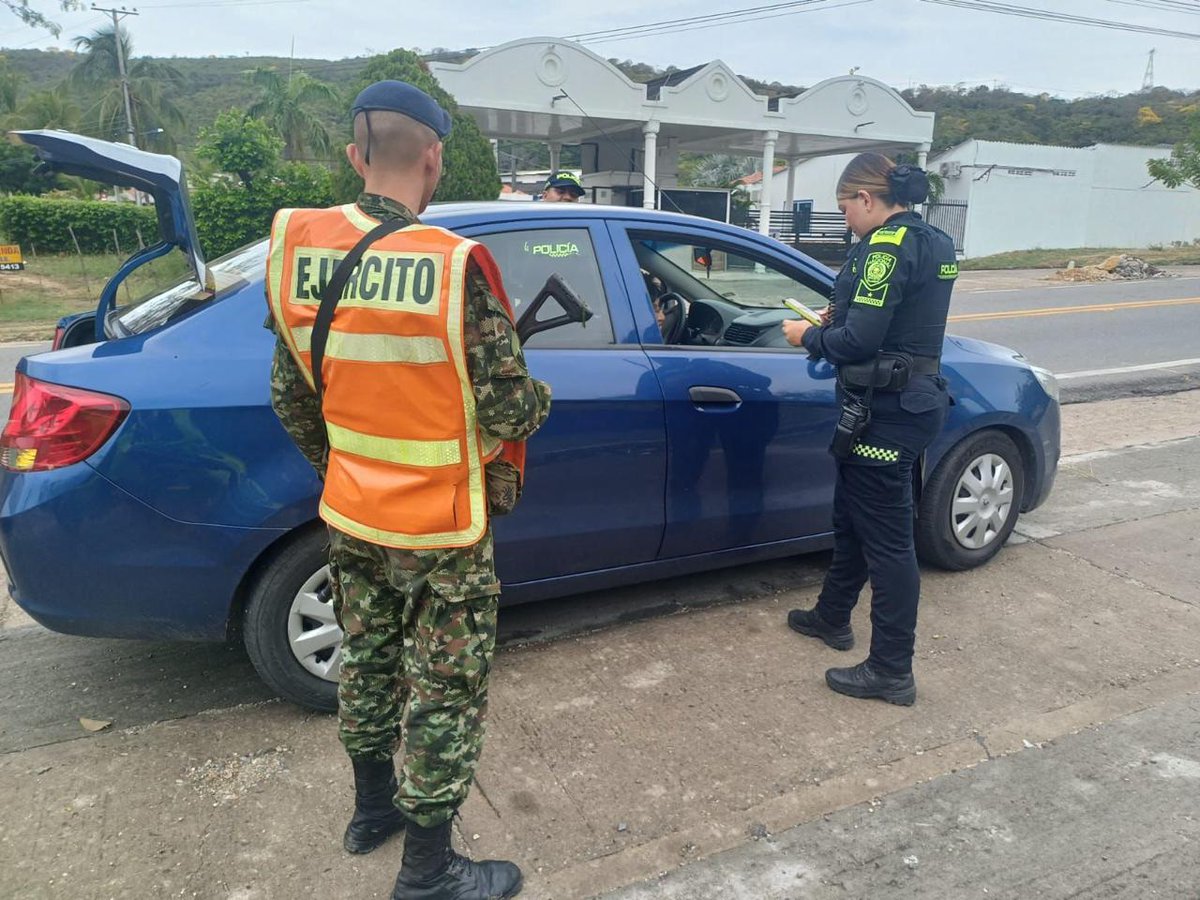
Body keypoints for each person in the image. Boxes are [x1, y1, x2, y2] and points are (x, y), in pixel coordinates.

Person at [266, 80, 551, 899]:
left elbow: (291, 393)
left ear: (355, 156)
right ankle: (429, 873)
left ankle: (370, 813)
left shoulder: (299, 248)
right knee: (444, 689)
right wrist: (540, 398)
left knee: (369, 659)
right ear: (434, 157)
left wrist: (347, 464)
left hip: (352, 510)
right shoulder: (451, 265)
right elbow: (504, 408)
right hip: (443, 525)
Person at [780, 152, 957, 707]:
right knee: (852, 517)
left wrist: (803, 336)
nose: (846, 222)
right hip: (902, 399)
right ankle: (833, 617)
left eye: (845, 209)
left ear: (865, 199)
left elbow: (857, 344)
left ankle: (890, 670)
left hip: (889, 408)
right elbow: (896, 319)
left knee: (887, 542)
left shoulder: (885, 248)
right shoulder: (935, 240)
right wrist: (843, 315)